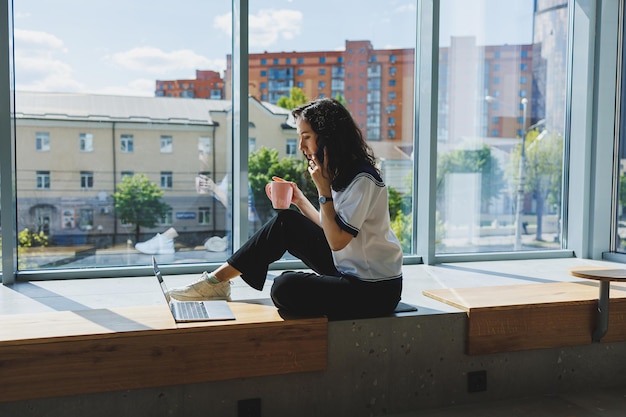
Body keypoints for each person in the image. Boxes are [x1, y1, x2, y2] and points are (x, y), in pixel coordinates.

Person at [169, 98, 403, 319]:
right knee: (286, 222)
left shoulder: (362, 178)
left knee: (284, 287)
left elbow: (338, 240)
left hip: (373, 289)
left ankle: (216, 283)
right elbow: (332, 228)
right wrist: (300, 200)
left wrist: (323, 191)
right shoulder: (342, 173)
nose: (301, 146)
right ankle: (215, 282)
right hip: (349, 269)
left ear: (329, 137)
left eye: (306, 137)